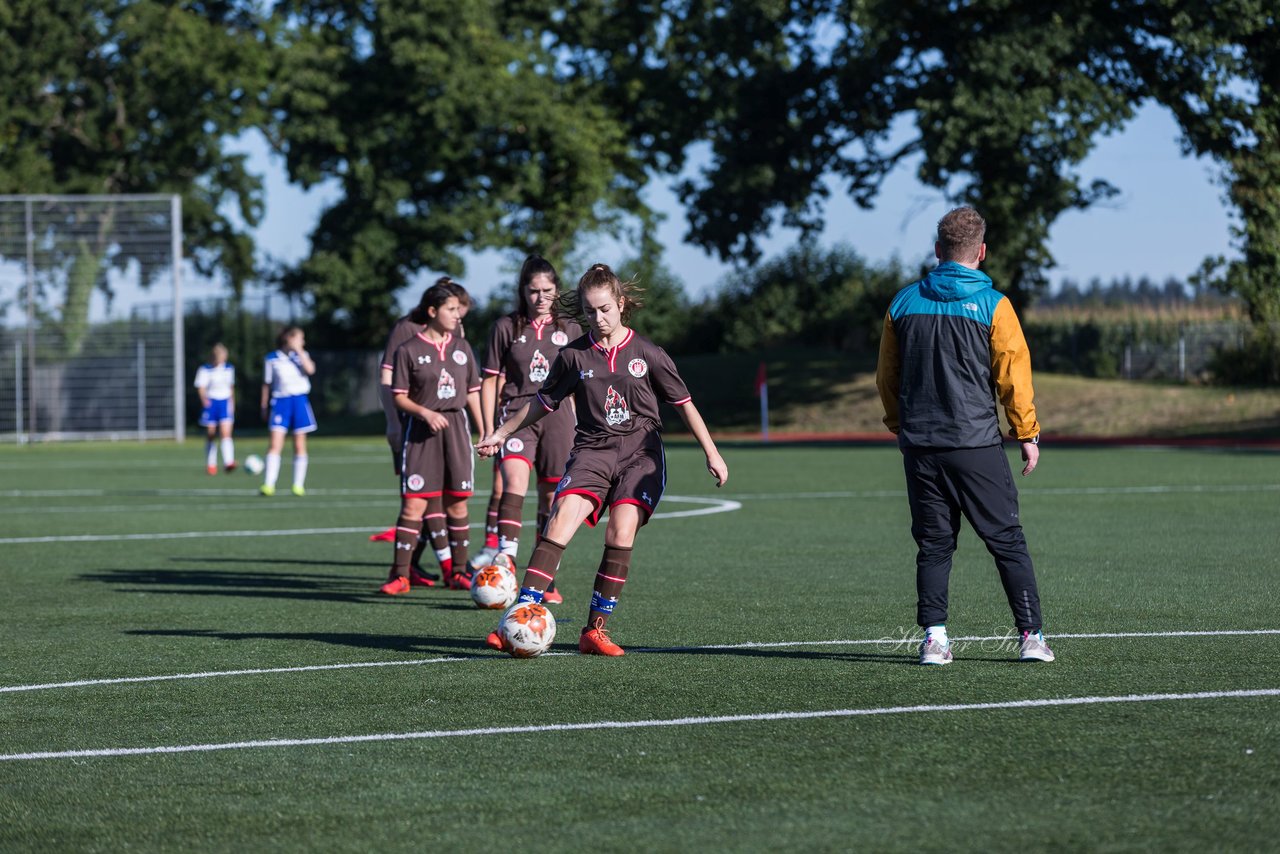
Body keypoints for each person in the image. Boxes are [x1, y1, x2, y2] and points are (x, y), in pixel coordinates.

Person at [476, 263, 728, 657]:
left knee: (620, 532)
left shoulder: (647, 353)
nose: (599, 318)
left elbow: (684, 404)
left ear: (621, 304)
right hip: (592, 449)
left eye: (606, 309)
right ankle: (519, 615)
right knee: (560, 520)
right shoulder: (574, 356)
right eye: (591, 311)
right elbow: (543, 402)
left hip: (640, 454)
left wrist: (712, 453)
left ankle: (594, 631)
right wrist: (502, 432)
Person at [875, 206, 1054, 666]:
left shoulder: (902, 302)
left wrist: (899, 423)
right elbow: (1014, 376)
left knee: (934, 544)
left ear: (938, 252)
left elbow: (886, 377)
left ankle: (935, 639)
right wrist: (1026, 432)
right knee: (1007, 540)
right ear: (982, 252)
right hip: (974, 444)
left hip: (920, 446)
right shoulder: (995, 305)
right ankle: (1030, 636)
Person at [479, 255, 582, 604]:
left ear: (557, 290)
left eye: (547, 290)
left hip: (559, 416)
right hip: (517, 415)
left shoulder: (570, 328)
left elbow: (585, 380)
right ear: (523, 291)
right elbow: (489, 381)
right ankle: (505, 560)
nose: (540, 297)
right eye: (533, 290)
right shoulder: (506, 327)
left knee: (552, 497)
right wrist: (490, 426)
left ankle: (543, 576)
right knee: (514, 483)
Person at [379, 282, 484, 595]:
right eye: (451, 310)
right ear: (432, 311)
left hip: (456, 430)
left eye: (458, 310)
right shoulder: (408, 349)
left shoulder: (463, 348)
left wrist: (485, 430)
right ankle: (399, 575)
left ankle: (459, 572)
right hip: (421, 434)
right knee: (413, 506)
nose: (457, 315)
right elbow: (398, 395)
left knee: (457, 504)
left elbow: (474, 393)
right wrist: (424, 413)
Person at [259, 326, 317, 497]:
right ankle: (268, 485)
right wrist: (264, 406)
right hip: (280, 402)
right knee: (275, 444)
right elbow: (266, 384)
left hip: (299, 401)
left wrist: (299, 351)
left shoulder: (302, 356)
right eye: (300, 338)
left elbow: (311, 370)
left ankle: (298, 485)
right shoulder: (272, 359)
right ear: (289, 338)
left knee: (299, 445)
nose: (303, 342)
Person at [194, 343, 237, 474]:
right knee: (211, 434)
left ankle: (228, 462)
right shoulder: (205, 369)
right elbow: (201, 387)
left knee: (225, 433)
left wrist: (232, 402)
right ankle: (211, 464)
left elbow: (231, 387)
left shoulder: (229, 368)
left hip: (224, 402)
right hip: (211, 402)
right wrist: (204, 400)